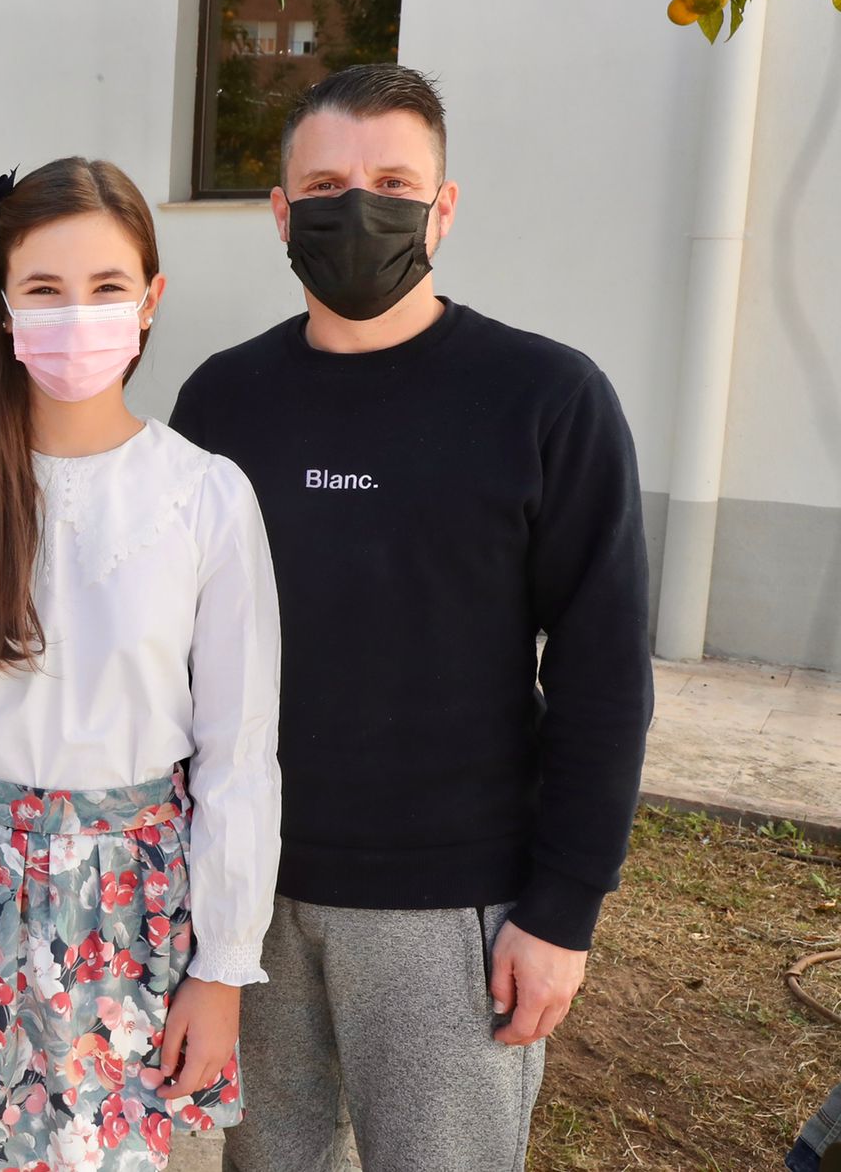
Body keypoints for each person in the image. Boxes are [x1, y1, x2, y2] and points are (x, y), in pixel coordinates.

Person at [167, 65, 653, 1172]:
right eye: (327, 183)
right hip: (253, 897)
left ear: (441, 207)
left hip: (456, 912)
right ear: (282, 214)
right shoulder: (218, 404)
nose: (360, 205)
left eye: (392, 180)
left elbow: (602, 675)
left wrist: (563, 907)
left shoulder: (545, 398)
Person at [0, 158, 283, 1169]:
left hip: (129, 909)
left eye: (104, 287)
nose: (74, 316)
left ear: (150, 298)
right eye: (42, 289)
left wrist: (219, 966)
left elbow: (236, 753)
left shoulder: (205, 496)